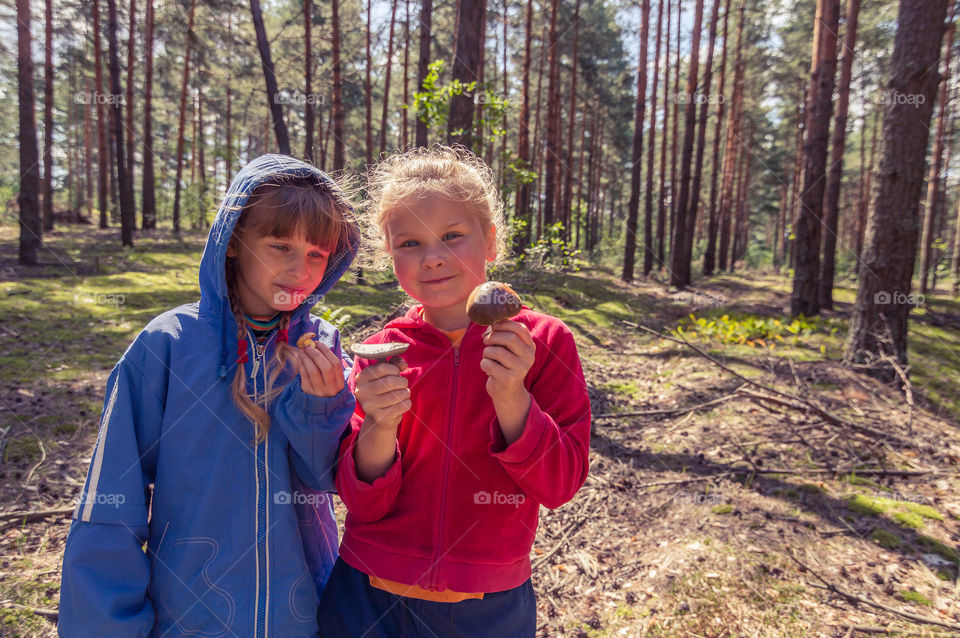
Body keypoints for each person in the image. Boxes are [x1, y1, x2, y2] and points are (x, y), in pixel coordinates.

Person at [58, 154, 360, 638]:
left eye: (317, 254)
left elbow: (328, 478)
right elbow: (111, 507)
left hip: (302, 617)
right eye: (279, 245)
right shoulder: (168, 346)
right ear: (235, 241)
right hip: (191, 618)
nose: (299, 269)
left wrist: (321, 406)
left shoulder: (321, 346)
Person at [318, 145, 591, 637]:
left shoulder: (545, 343)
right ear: (389, 254)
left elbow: (560, 485)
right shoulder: (383, 351)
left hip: (487, 606)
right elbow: (363, 501)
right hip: (367, 594)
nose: (433, 258)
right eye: (409, 243)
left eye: (452, 236)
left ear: (490, 241)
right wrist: (379, 424)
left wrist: (512, 396)